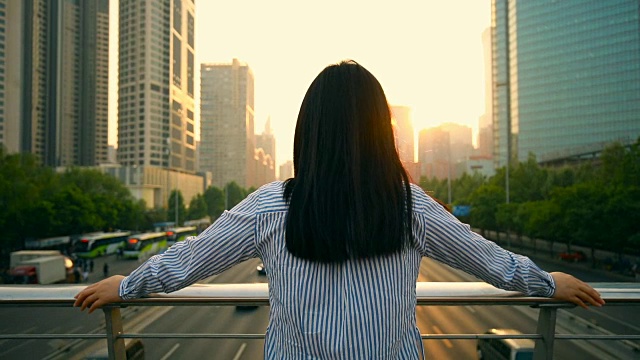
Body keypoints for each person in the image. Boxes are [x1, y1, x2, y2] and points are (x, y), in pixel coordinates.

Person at [75, 60, 604, 359]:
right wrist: (545, 281)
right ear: (380, 132)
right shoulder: (406, 205)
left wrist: (123, 287)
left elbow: (190, 261)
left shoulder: (271, 208)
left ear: (311, 132)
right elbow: (488, 260)